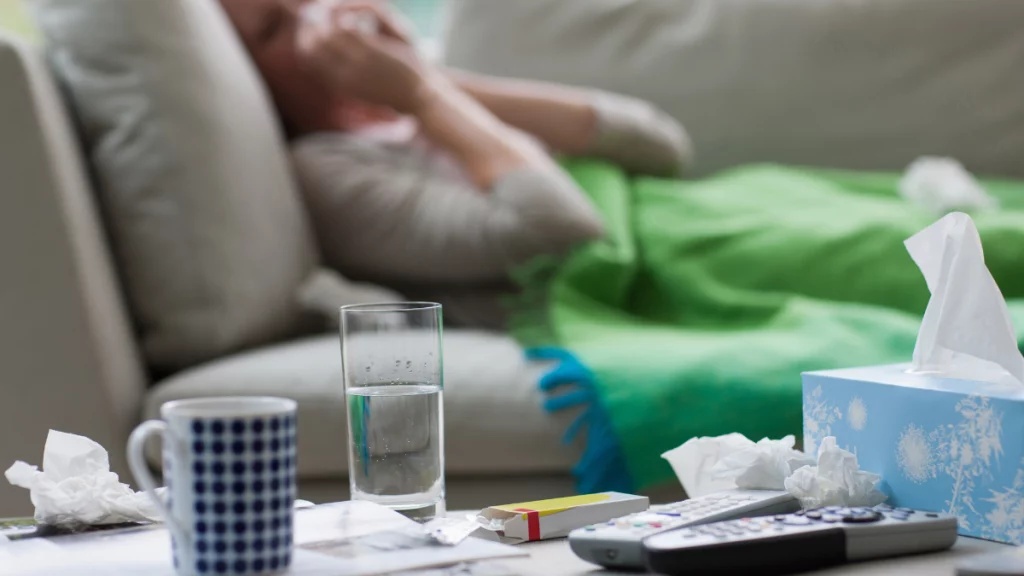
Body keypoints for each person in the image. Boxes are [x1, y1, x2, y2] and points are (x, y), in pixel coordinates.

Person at [218, 0, 692, 328]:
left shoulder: (428, 105)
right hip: (666, 284)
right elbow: (559, 232)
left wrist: (429, 83)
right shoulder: (326, 169)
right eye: (273, 27)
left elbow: (660, 145)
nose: (315, 16)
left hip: (695, 221)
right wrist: (422, 95)